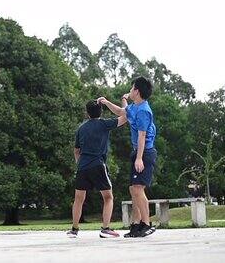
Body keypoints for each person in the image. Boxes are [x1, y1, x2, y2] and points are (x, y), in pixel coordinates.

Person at [99, 76, 157, 238]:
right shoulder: (135, 107)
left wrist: (139, 158)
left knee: (138, 189)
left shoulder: (144, 110)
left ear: (137, 91)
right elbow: (121, 111)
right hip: (138, 151)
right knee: (133, 189)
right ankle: (136, 225)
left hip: (145, 152)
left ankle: (146, 224)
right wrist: (106, 102)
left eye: (131, 89)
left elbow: (142, 135)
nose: (130, 90)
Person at [66, 100, 127, 238]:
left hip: (82, 167)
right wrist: (123, 102)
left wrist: (79, 164)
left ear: (87, 113)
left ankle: (74, 230)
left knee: (78, 199)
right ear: (101, 111)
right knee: (108, 197)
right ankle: (105, 229)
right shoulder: (105, 124)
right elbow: (125, 117)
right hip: (98, 165)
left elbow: (76, 150)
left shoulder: (81, 128)